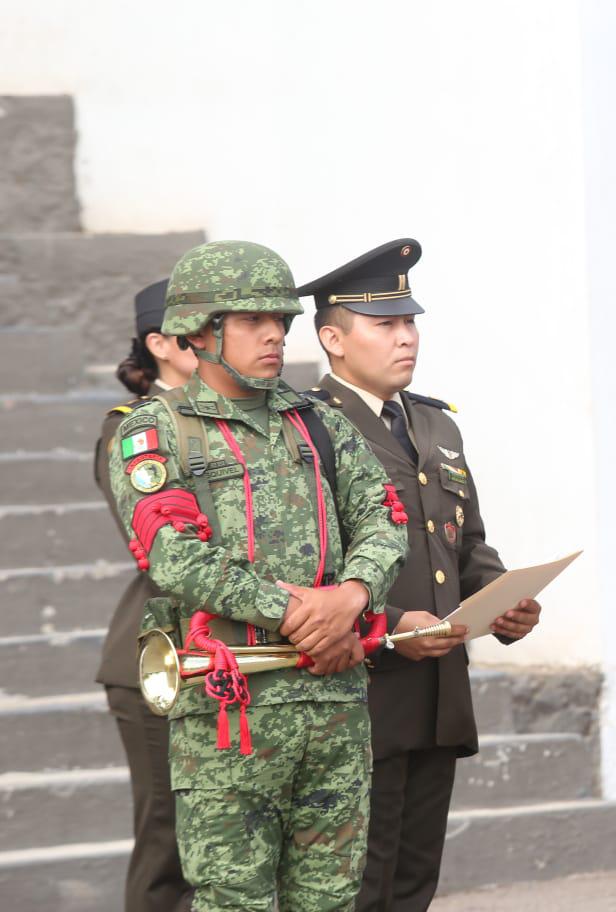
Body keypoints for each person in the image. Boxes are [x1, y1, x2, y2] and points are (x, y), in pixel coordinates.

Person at [105, 239, 409, 912]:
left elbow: (384, 522)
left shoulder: (320, 423)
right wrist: (301, 612)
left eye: (281, 320)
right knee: (234, 901)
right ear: (200, 331)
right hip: (229, 716)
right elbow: (173, 552)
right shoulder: (157, 434)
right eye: (251, 320)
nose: (274, 333)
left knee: (331, 901)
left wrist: (353, 596)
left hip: (333, 706)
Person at [298, 238, 542, 912]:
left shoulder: (435, 424)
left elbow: (465, 544)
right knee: (357, 886)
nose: (407, 338)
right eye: (385, 325)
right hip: (360, 692)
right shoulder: (309, 430)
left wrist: (504, 604)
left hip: (437, 691)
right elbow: (307, 566)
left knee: (412, 884)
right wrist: (388, 623)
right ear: (333, 339)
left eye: (411, 323)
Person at [94, 277, 199, 912]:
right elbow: (167, 552)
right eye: (198, 327)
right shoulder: (130, 429)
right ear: (159, 343)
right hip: (160, 656)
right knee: (169, 844)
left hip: (230, 657)